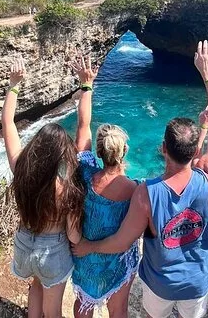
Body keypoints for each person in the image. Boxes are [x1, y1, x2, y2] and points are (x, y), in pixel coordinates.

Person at [73, 41, 208, 318]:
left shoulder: (145, 193)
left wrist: (89, 247)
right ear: (195, 153)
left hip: (160, 282)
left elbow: (122, 241)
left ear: (163, 149)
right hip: (197, 280)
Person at [2, 58, 85, 318]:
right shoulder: (67, 187)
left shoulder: (21, 168)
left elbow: (8, 124)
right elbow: (74, 236)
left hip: (24, 244)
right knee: (53, 311)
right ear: (61, 155)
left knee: (35, 286)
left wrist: (14, 85)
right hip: (52, 251)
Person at [68, 54, 140, 318]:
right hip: (118, 259)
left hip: (85, 253)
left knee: (83, 304)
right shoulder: (135, 189)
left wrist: (87, 85)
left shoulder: (84, 172)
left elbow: (83, 125)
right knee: (118, 308)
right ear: (125, 151)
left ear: (98, 152)